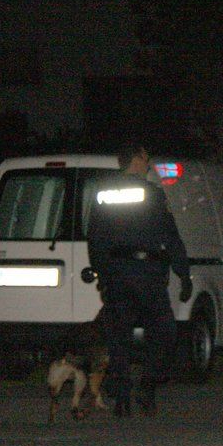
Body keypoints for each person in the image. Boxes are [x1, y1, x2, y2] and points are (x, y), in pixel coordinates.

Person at [87, 145, 193, 416]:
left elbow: (95, 237)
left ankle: (122, 397)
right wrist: (183, 274)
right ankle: (146, 387)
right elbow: (170, 236)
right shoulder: (153, 194)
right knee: (164, 333)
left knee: (119, 338)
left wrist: (102, 274)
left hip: (118, 274)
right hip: (147, 274)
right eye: (146, 159)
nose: (148, 164)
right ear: (135, 159)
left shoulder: (104, 193)